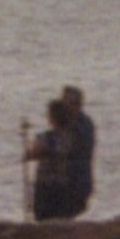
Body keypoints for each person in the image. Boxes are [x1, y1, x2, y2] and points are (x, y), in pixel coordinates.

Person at [27, 88, 97, 222]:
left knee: (57, 216)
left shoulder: (81, 126)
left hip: (71, 183)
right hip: (66, 182)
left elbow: (69, 149)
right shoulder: (79, 125)